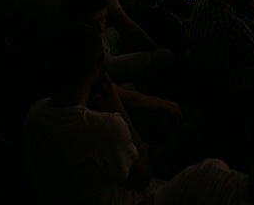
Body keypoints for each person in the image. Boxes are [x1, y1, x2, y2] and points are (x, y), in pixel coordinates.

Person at [22, 24, 158, 205]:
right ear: (100, 61)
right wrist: (119, 110)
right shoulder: (106, 127)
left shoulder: (35, 112)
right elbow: (144, 177)